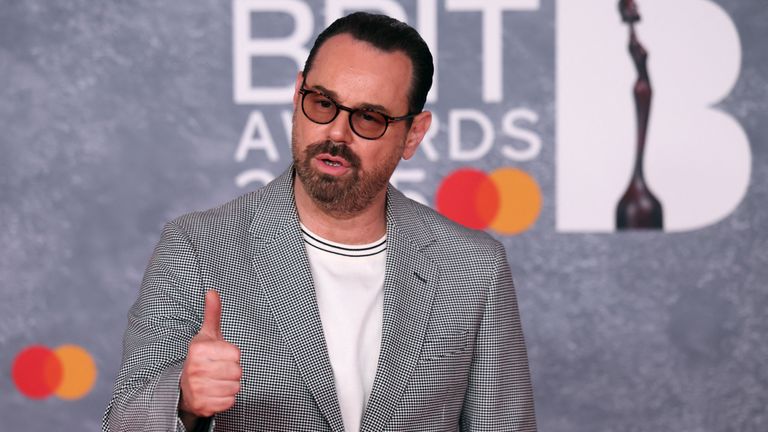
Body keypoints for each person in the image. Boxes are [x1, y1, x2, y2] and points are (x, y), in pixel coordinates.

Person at [103, 11, 536, 432]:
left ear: (414, 134)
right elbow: (123, 421)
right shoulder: (195, 248)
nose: (336, 134)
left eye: (369, 118)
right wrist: (184, 400)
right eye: (323, 103)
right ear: (298, 97)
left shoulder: (474, 267)